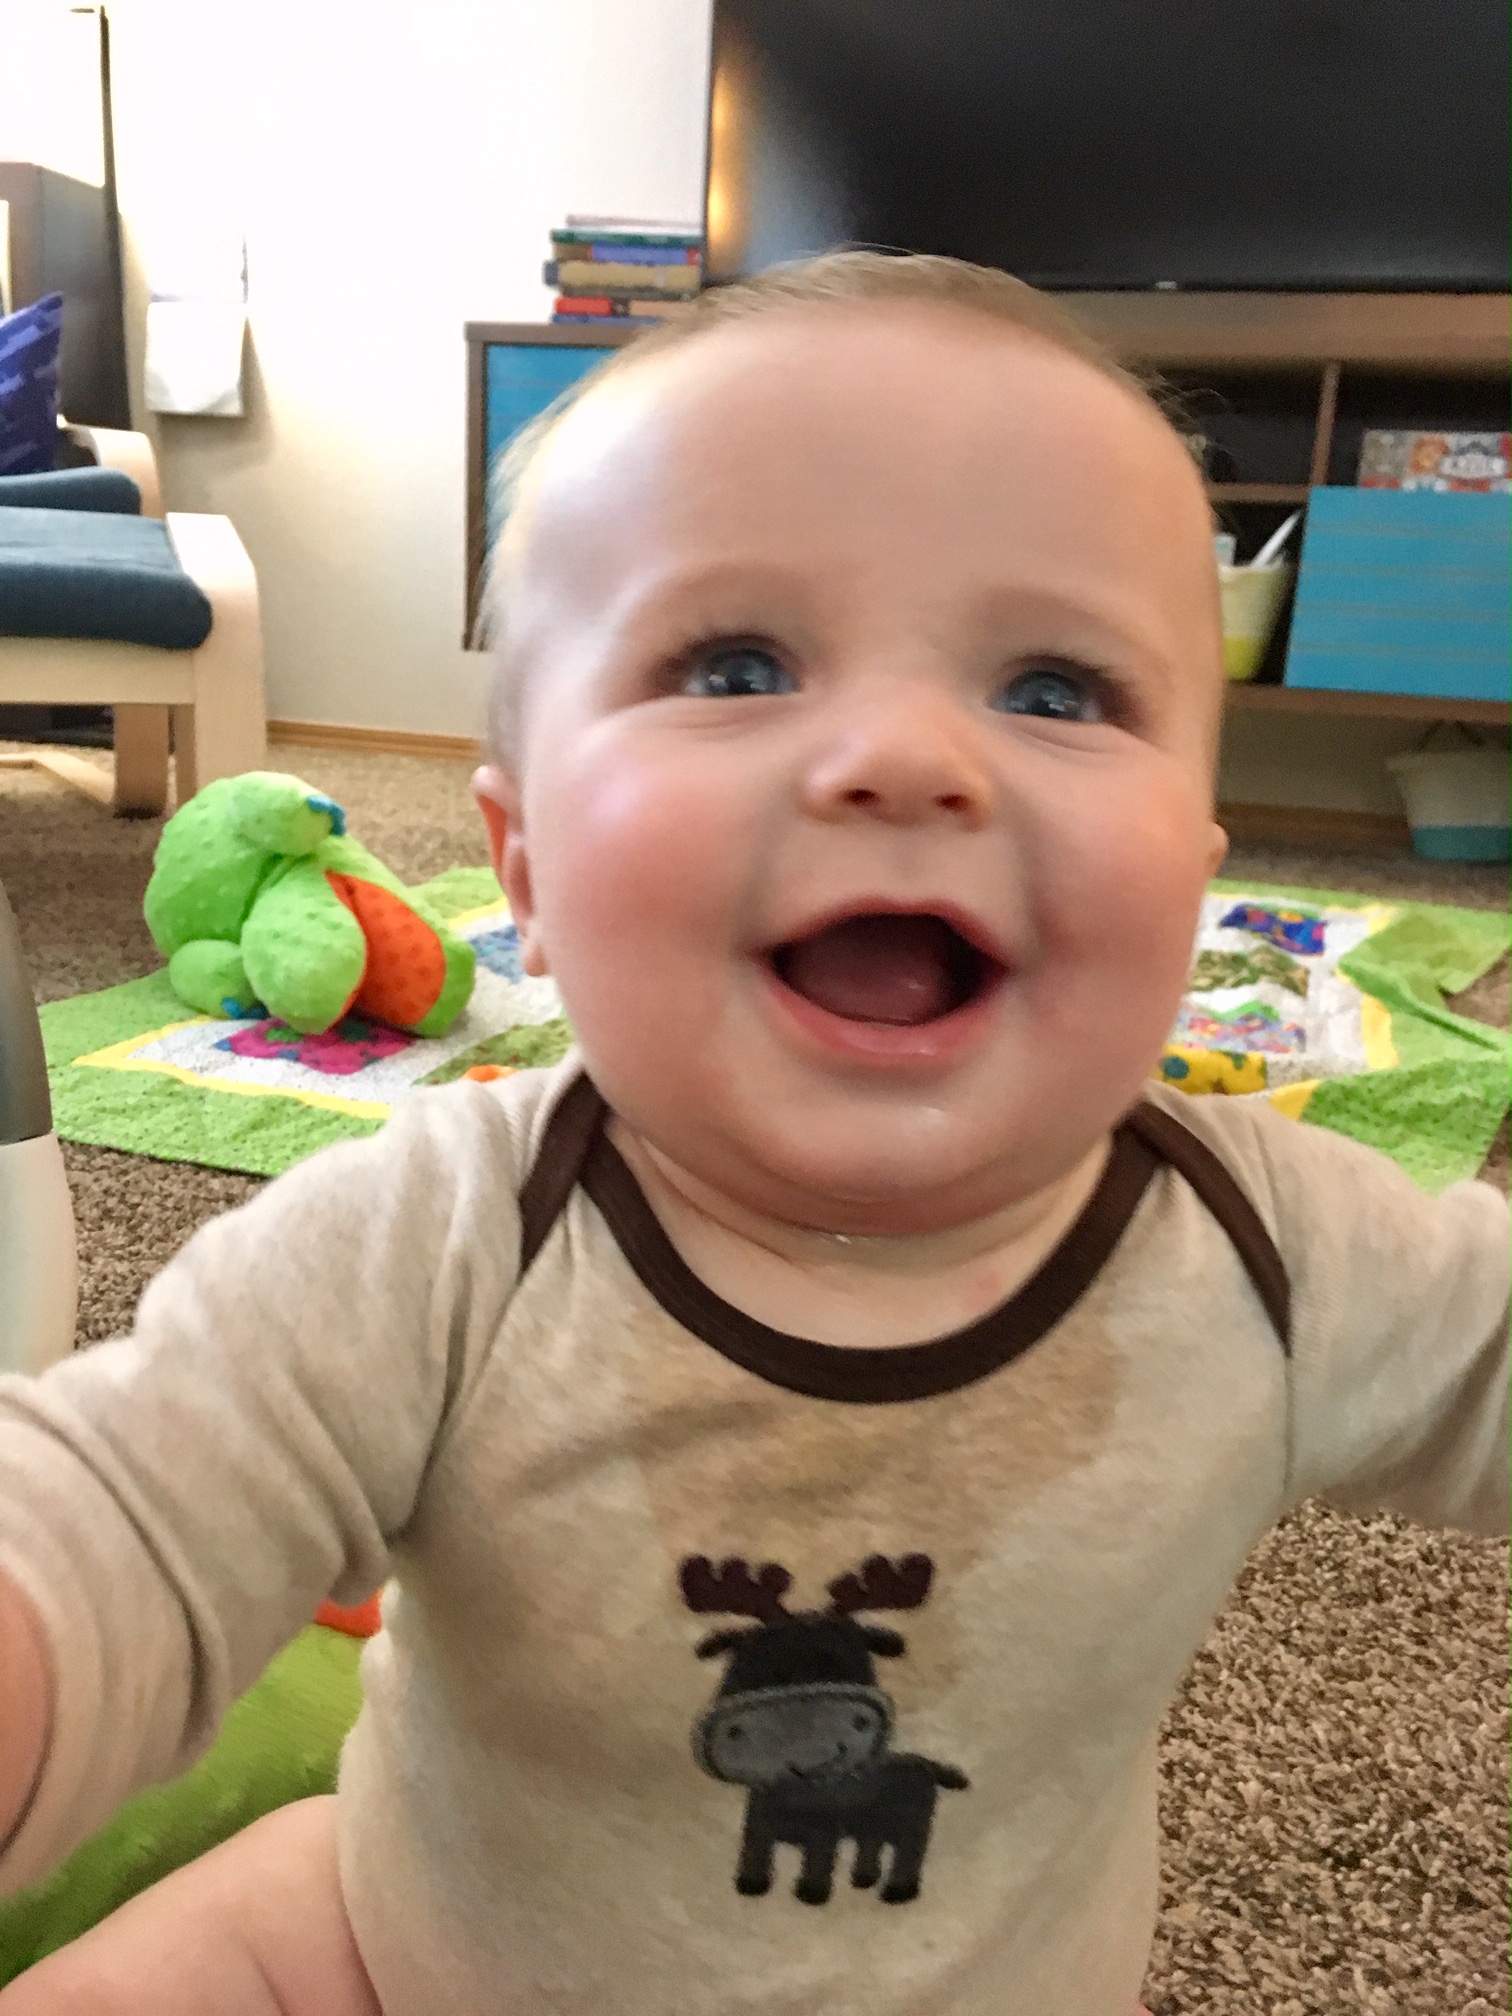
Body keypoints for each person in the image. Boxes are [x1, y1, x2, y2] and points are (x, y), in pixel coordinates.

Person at [1, 251, 1510, 2016]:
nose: (905, 757)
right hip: (408, 1956)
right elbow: (126, 1507)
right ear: (526, 870)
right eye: (736, 665)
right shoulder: (441, 1239)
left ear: (1196, 869)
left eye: (1053, 691)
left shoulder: (1282, 1254)